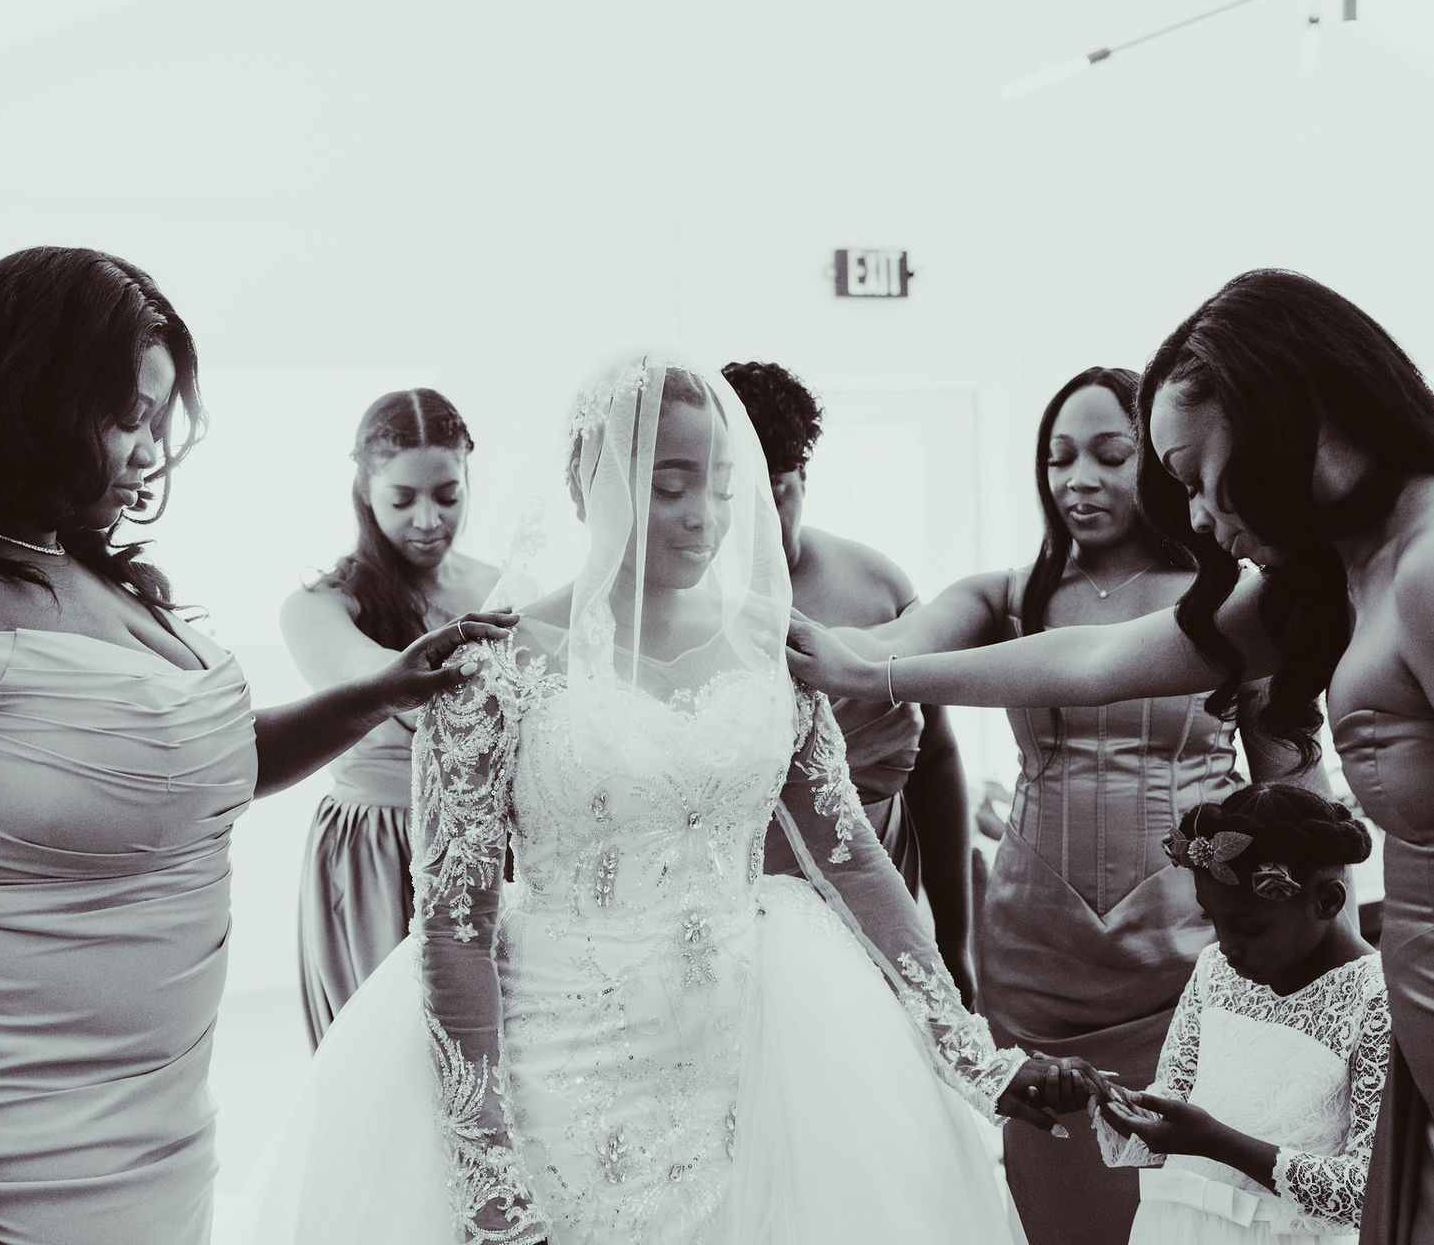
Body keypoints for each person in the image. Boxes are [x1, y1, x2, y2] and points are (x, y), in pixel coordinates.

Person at [0, 246, 512, 1245]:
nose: (148, 450)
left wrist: (379, 690)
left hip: (155, 1139)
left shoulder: (69, 559)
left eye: (158, 418)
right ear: (31, 395)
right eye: (127, 418)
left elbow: (204, 766)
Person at [238, 352, 1084, 1244]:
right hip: (560, 1055)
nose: (703, 517)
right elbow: (454, 924)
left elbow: (848, 854)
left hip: (757, 1046)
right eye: (670, 485)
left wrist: (969, 1053)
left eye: (721, 486)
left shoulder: (773, 649)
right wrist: (485, 1163)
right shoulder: (494, 667)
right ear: (587, 487)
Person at [787, 268, 1434, 1245]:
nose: (1192, 515)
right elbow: (1095, 658)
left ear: (1278, 417)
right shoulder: (1342, 567)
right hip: (1433, 1064)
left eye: (1192, 475)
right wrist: (868, 664)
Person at [822, 364, 1332, 1245]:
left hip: (1195, 948)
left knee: (1199, 1207)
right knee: (1054, 1204)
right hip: (1034, 949)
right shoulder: (1005, 596)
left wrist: (1329, 942)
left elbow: (1293, 781)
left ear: (1164, 468)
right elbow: (882, 647)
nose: (1079, 481)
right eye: (1059, 459)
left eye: (1109, 455)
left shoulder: (1231, 603)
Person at [723, 359, 975, 1000]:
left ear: (804, 477)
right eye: (734, 491)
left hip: (880, 900)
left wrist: (953, 939)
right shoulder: (679, 610)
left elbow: (938, 764)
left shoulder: (879, 586)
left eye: (775, 489)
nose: (756, 516)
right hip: (734, 926)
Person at [282, 388, 499, 1045]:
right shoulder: (321, 605)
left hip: (486, 841)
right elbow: (375, 678)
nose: (427, 519)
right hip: (379, 848)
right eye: (403, 499)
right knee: (388, 1056)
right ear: (366, 488)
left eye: (447, 495)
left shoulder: (503, 585)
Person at [1088, 783, 1388, 1244]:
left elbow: (1365, 1191)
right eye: (1213, 920)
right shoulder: (1214, 972)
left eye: (1250, 926)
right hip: (1179, 1228)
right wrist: (1100, 1096)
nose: (1226, 946)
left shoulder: (1377, 999)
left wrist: (1215, 1142)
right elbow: (1169, 1109)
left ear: (1327, 901)